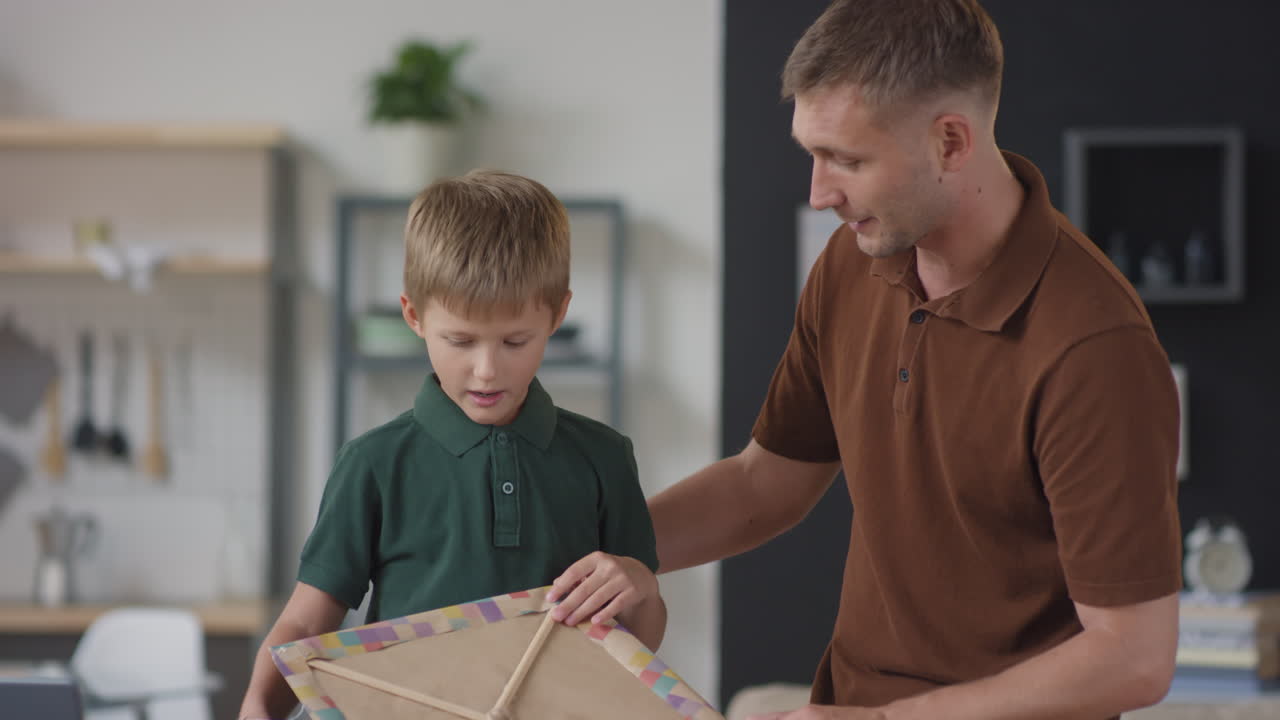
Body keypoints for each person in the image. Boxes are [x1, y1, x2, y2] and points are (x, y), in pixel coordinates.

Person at [649, 1, 1181, 718]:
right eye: (812, 153)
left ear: (951, 143)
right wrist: (600, 551)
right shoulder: (850, 262)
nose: (818, 193)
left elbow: (1134, 656)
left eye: (847, 159)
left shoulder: (1093, 347)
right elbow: (763, 482)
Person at [238, 170, 666, 720]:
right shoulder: (371, 464)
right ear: (414, 316)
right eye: (459, 340)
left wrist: (642, 587)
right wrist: (256, 708)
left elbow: (640, 641)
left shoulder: (604, 456)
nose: (486, 370)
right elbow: (303, 624)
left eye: (515, 341)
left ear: (557, 315)